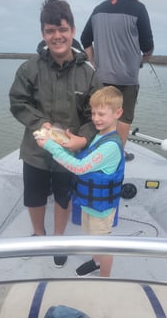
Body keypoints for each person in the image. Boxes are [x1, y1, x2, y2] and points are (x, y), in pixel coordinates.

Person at [9, 0, 102, 268]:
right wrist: (40, 124)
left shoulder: (88, 72)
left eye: (62, 29)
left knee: (63, 197)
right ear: (43, 33)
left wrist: (83, 138)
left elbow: (94, 114)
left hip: (69, 153)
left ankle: (58, 239)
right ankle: (39, 235)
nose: (57, 36)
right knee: (34, 196)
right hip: (36, 151)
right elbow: (18, 102)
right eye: (50, 31)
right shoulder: (29, 68)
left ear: (72, 31)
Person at [36, 86, 125, 277]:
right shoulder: (99, 136)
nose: (95, 119)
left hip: (102, 209)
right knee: (94, 240)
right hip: (91, 204)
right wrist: (58, 140)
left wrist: (50, 146)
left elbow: (79, 167)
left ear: (118, 113)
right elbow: (80, 157)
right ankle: (95, 261)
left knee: (104, 245)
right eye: (93, 113)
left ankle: (105, 278)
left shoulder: (110, 145)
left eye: (101, 114)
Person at [80, 0, 154, 160]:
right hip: (128, 80)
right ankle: (116, 155)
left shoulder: (98, 9)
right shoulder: (139, 9)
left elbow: (84, 39)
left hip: (101, 78)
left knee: (100, 115)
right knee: (124, 117)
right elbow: (147, 45)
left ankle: (97, 152)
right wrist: (147, 55)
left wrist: (95, 64)